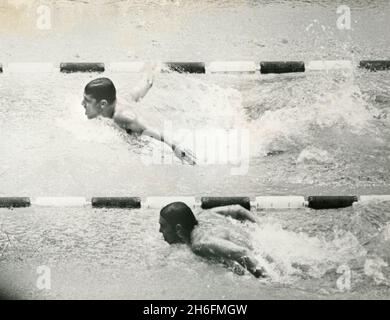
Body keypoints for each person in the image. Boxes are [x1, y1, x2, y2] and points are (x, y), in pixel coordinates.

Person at [81, 70, 196, 165]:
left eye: (87, 101)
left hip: (152, 143)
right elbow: (143, 87)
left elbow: (149, 129)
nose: (82, 104)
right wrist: (151, 70)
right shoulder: (120, 99)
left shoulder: (122, 116)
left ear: (103, 104)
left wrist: (175, 146)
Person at [159, 202, 266, 278]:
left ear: (178, 229)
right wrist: (263, 228)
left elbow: (241, 252)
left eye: (163, 226)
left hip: (262, 259)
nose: (160, 231)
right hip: (262, 243)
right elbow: (238, 209)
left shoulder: (200, 243)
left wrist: (267, 282)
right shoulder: (204, 214)